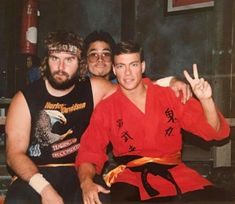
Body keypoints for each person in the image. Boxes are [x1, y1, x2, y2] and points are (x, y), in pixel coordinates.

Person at [76, 41, 230, 203]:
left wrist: (206, 100)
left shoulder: (170, 95)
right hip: (132, 180)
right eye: (121, 66)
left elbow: (214, 132)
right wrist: (86, 182)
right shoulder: (106, 108)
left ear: (142, 67)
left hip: (177, 174)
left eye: (133, 65)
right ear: (114, 70)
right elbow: (89, 152)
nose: (128, 73)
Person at [4, 30, 116, 204]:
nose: (61, 67)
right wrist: (45, 189)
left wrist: (170, 82)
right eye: (55, 58)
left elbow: (134, 94)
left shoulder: (94, 88)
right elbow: (14, 155)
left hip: (80, 171)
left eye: (69, 59)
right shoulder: (25, 98)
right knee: (17, 201)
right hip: (36, 172)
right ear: (46, 61)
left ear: (80, 63)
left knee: (100, 198)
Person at [83, 30, 192, 103]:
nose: (100, 60)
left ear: (113, 61)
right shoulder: (78, 88)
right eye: (93, 55)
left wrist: (172, 81)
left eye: (106, 54)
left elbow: (149, 85)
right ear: (85, 60)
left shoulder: (123, 82)